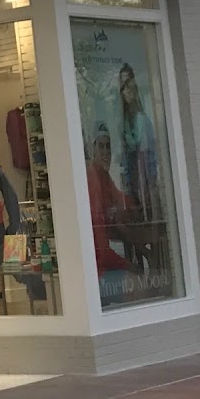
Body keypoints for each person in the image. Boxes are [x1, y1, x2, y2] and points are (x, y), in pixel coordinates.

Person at [116, 63, 162, 283]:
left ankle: (157, 275)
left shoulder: (142, 119)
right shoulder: (123, 123)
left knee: (152, 231)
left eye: (130, 83)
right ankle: (140, 276)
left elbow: (147, 156)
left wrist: (149, 185)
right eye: (123, 86)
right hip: (132, 183)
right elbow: (125, 157)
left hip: (146, 181)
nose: (128, 89)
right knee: (130, 229)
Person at [86, 124, 133, 293]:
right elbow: (103, 253)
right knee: (139, 285)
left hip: (102, 263)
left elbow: (121, 199)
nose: (106, 152)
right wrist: (129, 266)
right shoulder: (93, 181)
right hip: (97, 272)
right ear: (93, 149)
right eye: (101, 146)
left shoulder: (103, 176)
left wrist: (137, 201)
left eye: (108, 146)